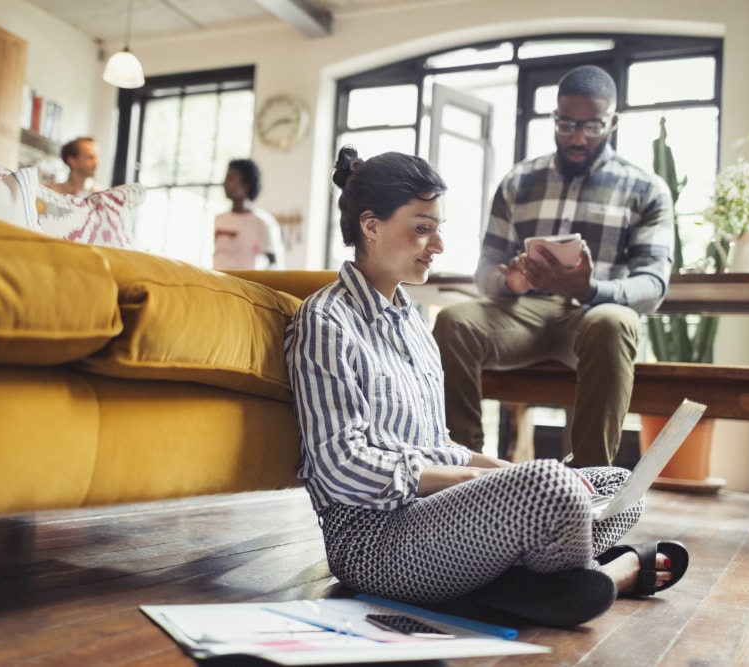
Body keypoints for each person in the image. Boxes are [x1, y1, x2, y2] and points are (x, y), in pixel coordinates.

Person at [284, 144, 688, 629]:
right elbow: (340, 466)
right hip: (375, 543)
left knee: (619, 484)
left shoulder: (413, 323)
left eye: (438, 229)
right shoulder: (325, 321)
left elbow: (439, 446)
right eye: (422, 228)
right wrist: (489, 482)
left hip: (440, 521)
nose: (436, 246)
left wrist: (508, 471)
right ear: (370, 225)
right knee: (552, 487)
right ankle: (588, 574)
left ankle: (527, 580)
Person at [432, 65, 675, 467]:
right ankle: (463, 468)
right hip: (523, 314)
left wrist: (591, 289)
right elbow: (486, 266)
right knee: (455, 321)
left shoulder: (646, 189)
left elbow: (652, 283)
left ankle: (590, 480)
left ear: (612, 122)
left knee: (614, 323)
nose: (578, 137)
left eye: (592, 126)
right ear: (555, 118)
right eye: (566, 124)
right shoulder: (518, 181)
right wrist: (508, 282)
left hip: (594, 315)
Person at [213, 158, 285, 270]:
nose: (225, 183)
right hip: (217, 282)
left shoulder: (263, 223)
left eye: (230, 179)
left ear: (246, 185)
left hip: (245, 283)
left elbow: (275, 264)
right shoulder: (219, 219)